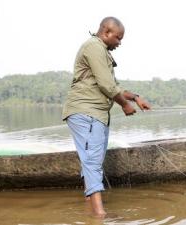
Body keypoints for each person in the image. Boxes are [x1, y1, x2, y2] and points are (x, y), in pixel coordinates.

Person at [62, 16, 151, 217]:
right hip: (86, 112)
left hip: (97, 115)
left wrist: (136, 98)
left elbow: (115, 86)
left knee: (91, 161)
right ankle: (100, 216)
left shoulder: (101, 51)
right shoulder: (94, 47)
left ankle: (90, 208)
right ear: (106, 32)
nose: (120, 42)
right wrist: (125, 105)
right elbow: (106, 85)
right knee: (92, 162)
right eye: (118, 38)